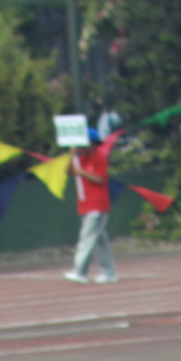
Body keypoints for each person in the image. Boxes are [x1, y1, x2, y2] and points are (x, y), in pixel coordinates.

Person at [64, 118, 120, 283]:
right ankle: (109, 272)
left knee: (87, 238)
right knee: (100, 241)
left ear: (93, 143)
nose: (81, 148)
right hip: (85, 204)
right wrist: (71, 155)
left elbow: (99, 179)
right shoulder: (80, 158)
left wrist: (80, 171)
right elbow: (69, 171)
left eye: (84, 144)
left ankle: (80, 271)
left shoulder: (99, 157)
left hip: (97, 205)